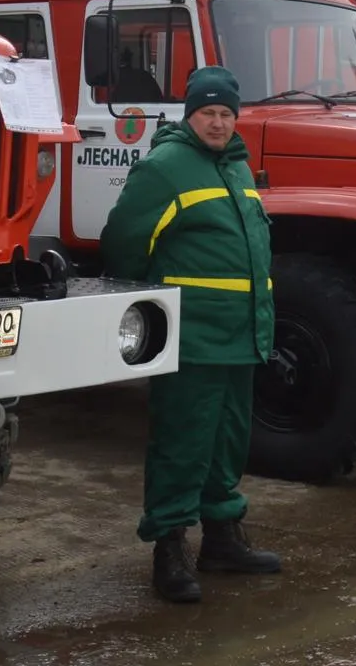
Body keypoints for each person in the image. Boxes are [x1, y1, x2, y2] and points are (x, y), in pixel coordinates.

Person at [99, 65, 280, 604]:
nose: (219, 123)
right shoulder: (166, 166)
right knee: (183, 442)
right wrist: (152, 309)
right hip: (193, 334)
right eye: (209, 113)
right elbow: (124, 243)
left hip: (242, 335)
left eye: (227, 114)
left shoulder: (239, 168)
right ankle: (169, 548)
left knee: (227, 442)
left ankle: (222, 539)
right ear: (190, 115)